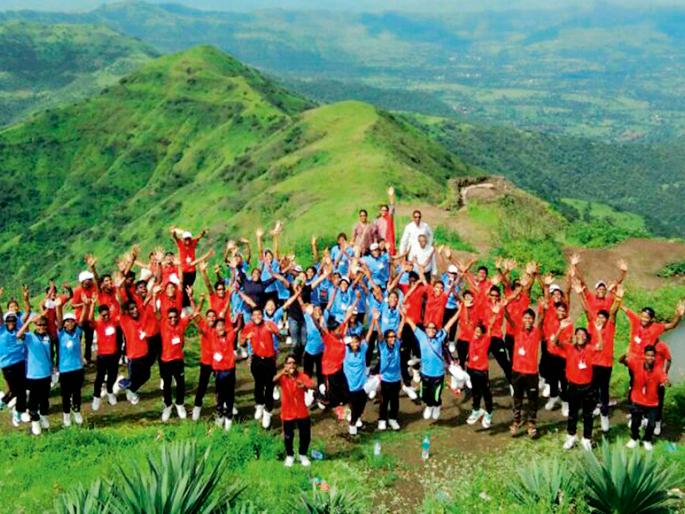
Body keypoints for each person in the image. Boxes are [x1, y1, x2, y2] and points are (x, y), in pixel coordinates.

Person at [576, 280, 621, 433]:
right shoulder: (592, 325)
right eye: (599, 317)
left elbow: (613, 312)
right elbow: (586, 310)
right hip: (593, 363)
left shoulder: (610, 326)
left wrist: (618, 299)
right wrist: (580, 294)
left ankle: (604, 415)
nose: (601, 319)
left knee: (604, 389)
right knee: (592, 388)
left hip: (606, 364)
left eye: (604, 317)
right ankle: (593, 408)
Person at [402, 307, 460, 421]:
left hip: (438, 374)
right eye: (429, 328)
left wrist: (459, 311)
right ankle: (429, 406)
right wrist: (403, 313)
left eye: (434, 328)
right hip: (425, 373)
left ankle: (436, 406)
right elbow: (411, 323)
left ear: (436, 330)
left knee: (436, 395)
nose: (431, 330)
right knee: (425, 394)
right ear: (426, 329)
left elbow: (450, 323)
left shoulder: (440, 337)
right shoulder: (421, 336)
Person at [504, 300, 546, 438]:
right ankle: (516, 422)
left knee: (533, 400)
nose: (528, 320)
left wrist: (543, 307)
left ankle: (531, 424)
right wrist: (504, 307)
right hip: (517, 371)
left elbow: (541, 319)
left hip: (531, 373)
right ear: (522, 319)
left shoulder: (537, 332)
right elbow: (508, 318)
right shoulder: (517, 330)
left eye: (530, 318)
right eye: (525, 318)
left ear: (533, 320)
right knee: (517, 398)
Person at [555, 324, 600, 451]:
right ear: (575, 336)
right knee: (572, 413)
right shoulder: (569, 347)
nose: (580, 336)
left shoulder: (590, 348)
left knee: (588, 414)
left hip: (587, 387)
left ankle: (586, 438)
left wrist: (598, 331)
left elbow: (600, 347)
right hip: (573, 386)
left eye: (583, 334)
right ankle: (571, 436)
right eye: (578, 334)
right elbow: (555, 342)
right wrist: (560, 328)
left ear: (586, 337)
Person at [156, 286, 196, 422]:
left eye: (175, 317)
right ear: (166, 318)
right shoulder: (162, 324)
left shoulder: (181, 323)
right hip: (165, 360)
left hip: (178, 359)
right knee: (167, 385)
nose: (173, 319)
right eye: (170, 317)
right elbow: (156, 312)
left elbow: (194, 313)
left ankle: (179, 404)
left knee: (180, 384)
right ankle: (168, 405)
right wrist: (154, 295)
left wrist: (191, 297)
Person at [620, 346, 668, 451]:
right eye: (648, 355)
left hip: (652, 402)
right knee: (635, 422)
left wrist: (666, 382)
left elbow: (664, 379)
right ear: (644, 356)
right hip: (637, 399)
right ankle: (634, 438)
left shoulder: (658, 370)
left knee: (652, 424)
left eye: (652, 356)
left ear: (655, 357)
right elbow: (621, 361)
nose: (650, 358)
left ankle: (647, 440)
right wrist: (625, 354)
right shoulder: (636, 364)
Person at [241, 307, 280, 429]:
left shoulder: (269, 324)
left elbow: (281, 337)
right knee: (258, 384)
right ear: (252, 316)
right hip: (256, 359)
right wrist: (246, 338)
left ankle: (268, 412)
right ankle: (259, 405)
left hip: (269, 360)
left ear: (262, 315)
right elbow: (241, 342)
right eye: (254, 315)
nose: (257, 317)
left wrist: (275, 333)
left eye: (259, 314)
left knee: (269, 386)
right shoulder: (249, 326)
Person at [274, 354, 315, 467]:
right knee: (288, 436)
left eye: (293, 363)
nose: (291, 365)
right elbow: (272, 381)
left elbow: (313, 385)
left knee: (305, 435)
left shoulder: (302, 376)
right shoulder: (282, 377)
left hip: (302, 411)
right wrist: (282, 372)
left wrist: (304, 385)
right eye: (289, 363)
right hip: (287, 412)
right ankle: (290, 455)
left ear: (296, 365)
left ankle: (302, 454)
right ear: (285, 365)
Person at [16, 314, 53, 435]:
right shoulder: (29, 337)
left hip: (46, 374)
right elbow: (18, 335)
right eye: (39, 324)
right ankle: (35, 421)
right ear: (35, 325)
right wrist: (28, 322)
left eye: (44, 324)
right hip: (33, 375)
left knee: (45, 399)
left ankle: (44, 417)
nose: (41, 327)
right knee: (33, 400)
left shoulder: (48, 337)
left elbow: (50, 354)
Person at [55, 301, 89, 427]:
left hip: (77, 368)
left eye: (72, 321)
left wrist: (85, 306)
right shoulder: (60, 334)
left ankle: (77, 411)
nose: (69, 323)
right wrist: (59, 307)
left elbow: (82, 319)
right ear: (64, 323)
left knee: (76, 392)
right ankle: (66, 415)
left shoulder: (77, 333)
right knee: (65, 394)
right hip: (65, 370)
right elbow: (59, 320)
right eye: (67, 321)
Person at [465, 312, 499, 429]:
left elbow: (490, 326)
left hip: (482, 372)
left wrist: (494, 314)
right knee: (475, 392)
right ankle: (476, 410)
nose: (476, 333)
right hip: (471, 370)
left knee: (486, 393)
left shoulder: (486, 340)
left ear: (483, 333)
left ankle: (489, 413)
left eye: (479, 332)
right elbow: (468, 322)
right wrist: (466, 308)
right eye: (475, 331)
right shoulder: (471, 338)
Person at [0, 288, 29, 426]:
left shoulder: (19, 330)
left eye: (13, 320)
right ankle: (2, 402)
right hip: (7, 365)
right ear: (5, 321)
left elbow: (27, 317)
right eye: (8, 320)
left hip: (21, 362)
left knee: (22, 389)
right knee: (15, 390)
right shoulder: (1, 330)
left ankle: (20, 412)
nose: (11, 322)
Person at [371, 311, 402, 431]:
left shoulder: (397, 345)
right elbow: (379, 334)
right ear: (386, 338)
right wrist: (376, 321)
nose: (393, 338)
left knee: (395, 401)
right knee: (384, 401)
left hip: (396, 379)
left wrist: (404, 317)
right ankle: (382, 419)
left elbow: (400, 331)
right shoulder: (383, 346)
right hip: (385, 379)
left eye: (394, 336)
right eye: (390, 337)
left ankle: (393, 419)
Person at [344, 321, 375, 435]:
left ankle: (356, 420)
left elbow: (368, 336)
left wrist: (373, 322)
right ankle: (352, 425)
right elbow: (342, 338)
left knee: (361, 406)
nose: (355, 344)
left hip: (362, 385)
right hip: (350, 386)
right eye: (352, 342)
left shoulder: (362, 350)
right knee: (354, 407)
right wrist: (346, 322)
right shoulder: (345, 352)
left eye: (356, 341)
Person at [211, 316, 239, 431]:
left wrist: (239, 316)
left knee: (229, 396)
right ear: (215, 328)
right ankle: (220, 416)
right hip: (219, 372)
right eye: (218, 326)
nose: (221, 328)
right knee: (220, 396)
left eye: (222, 325)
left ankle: (228, 418)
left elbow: (237, 327)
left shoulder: (230, 336)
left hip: (229, 371)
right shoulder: (213, 337)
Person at [171, 226, 208, 307]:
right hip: (184, 271)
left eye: (188, 239)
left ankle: (188, 304)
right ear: (183, 239)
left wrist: (203, 233)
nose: (187, 241)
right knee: (182, 288)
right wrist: (174, 233)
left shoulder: (193, 243)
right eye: (186, 239)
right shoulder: (180, 244)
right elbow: (175, 238)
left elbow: (198, 238)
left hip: (192, 272)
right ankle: (183, 305)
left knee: (188, 288)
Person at [92, 305, 120, 411]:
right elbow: (90, 320)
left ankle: (110, 391)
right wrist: (91, 305)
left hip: (114, 354)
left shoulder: (114, 321)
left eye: (108, 314)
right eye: (104, 315)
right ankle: (96, 396)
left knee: (113, 375)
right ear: (100, 315)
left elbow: (121, 313)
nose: (106, 317)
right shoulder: (98, 323)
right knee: (100, 377)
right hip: (102, 355)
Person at [71, 270, 97, 364]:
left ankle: (88, 357)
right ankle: (77, 358)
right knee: (78, 339)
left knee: (89, 339)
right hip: (80, 318)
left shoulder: (93, 287)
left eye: (90, 279)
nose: (90, 281)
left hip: (90, 317)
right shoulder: (78, 290)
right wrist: (84, 303)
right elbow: (73, 305)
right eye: (88, 280)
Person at [374, 187, 396, 256]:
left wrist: (391, 195)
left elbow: (392, 206)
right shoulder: (376, 220)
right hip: (379, 242)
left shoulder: (389, 218)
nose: (384, 212)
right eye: (382, 210)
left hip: (388, 241)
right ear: (380, 211)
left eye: (385, 210)